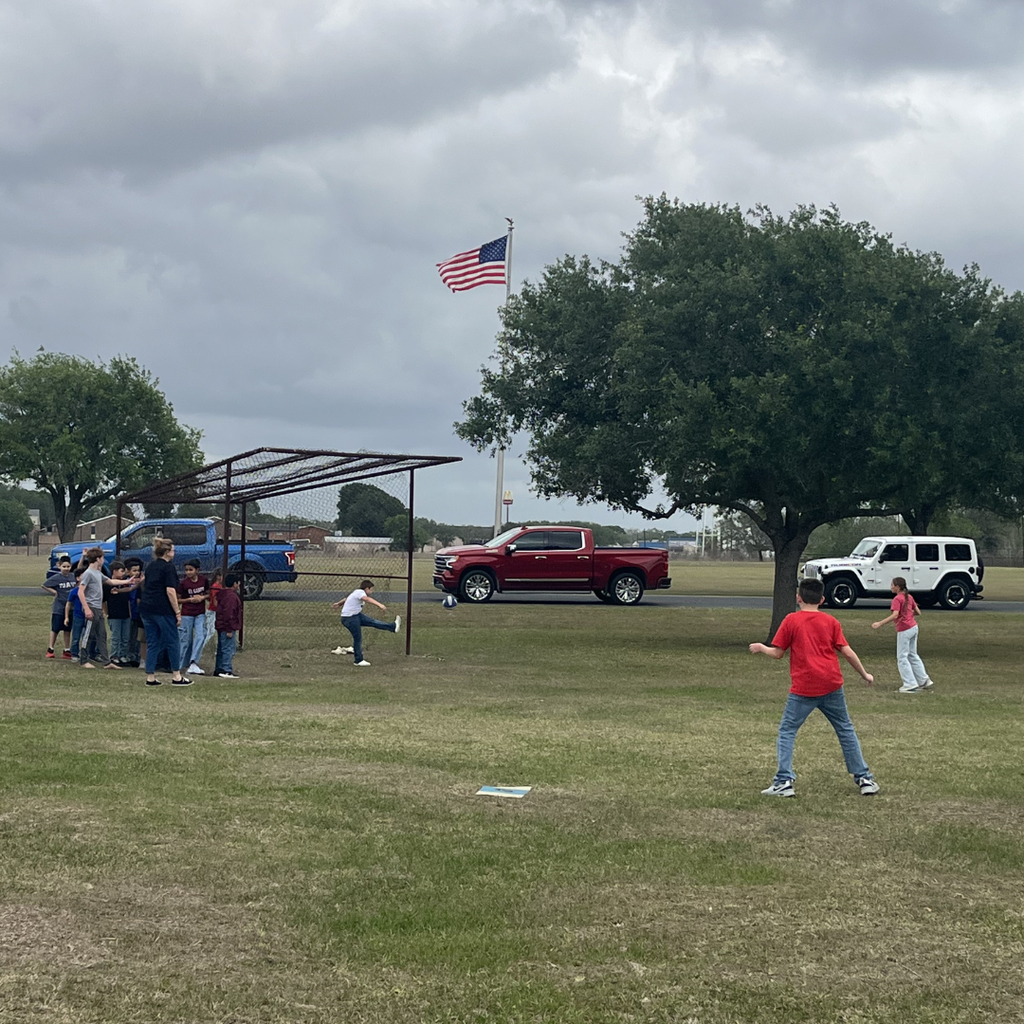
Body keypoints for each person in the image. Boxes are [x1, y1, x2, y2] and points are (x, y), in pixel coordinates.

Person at [749, 577, 879, 797]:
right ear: (822, 599)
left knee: (787, 731)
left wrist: (762, 647)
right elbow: (846, 651)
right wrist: (864, 674)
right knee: (845, 729)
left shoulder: (791, 620)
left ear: (798, 598)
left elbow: (778, 653)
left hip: (804, 687)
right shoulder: (831, 622)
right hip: (832, 684)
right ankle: (864, 778)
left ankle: (783, 782)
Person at [139, 538, 191, 686]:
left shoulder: (151, 566)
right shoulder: (168, 567)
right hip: (162, 609)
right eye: (173, 550)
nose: (174, 552)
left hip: (146, 608)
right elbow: (170, 590)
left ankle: (150, 676)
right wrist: (177, 612)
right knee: (173, 641)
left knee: (152, 642)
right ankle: (176, 675)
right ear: (167, 552)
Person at [872, 577, 935, 694]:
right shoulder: (909, 597)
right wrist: (908, 616)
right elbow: (918, 612)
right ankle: (924, 680)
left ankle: (910, 683)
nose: (891, 587)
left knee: (902, 657)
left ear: (897, 587)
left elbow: (895, 615)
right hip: (914, 627)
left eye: (892, 585)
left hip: (905, 630)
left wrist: (879, 623)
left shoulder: (897, 599)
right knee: (912, 654)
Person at [78, 547, 132, 669]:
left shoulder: (98, 573)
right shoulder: (88, 573)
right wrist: (86, 609)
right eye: (102, 558)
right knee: (88, 635)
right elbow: (80, 592)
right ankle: (83, 660)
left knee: (102, 634)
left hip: (98, 609)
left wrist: (129, 581)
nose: (103, 560)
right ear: (98, 559)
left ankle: (107, 662)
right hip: (91, 607)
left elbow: (111, 582)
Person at [331, 579, 401, 667]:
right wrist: (380, 605)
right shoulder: (360, 592)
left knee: (373, 622)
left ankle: (393, 627)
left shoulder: (357, 592)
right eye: (371, 589)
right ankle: (358, 660)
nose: (372, 591)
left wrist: (339, 604)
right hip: (349, 618)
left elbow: (347, 599)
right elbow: (366, 599)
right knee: (358, 638)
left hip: (356, 616)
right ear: (367, 588)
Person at [177, 558, 209, 676]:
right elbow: (178, 599)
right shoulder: (184, 583)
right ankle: (180, 664)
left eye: (191, 570)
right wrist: (190, 599)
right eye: (186, 570)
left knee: (200, 636)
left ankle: (194, 662)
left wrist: (202, 598)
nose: (188, 572)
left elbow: (209, 593)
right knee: (186, 640)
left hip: (200, 613)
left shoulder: (203, 581)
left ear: (197, 570)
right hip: (187, 614)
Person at [42, 556, 76, 659]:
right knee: (55, 629)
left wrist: (83, 557)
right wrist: (54, 591)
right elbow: (44, 585)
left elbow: (79, 572)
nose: (66, 568)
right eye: (64, 566)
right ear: (59, 566)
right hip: (59, 608)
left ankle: (66, 650)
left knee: (67, 630)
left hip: (70, 608)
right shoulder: (56, 578)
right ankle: (50, 648)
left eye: (68, 566)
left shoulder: (72, 576)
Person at [213, 574, 242, 679]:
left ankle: (219, 668)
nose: (239, 585)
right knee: (228, 649)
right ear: (234, 584)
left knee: (222, 648)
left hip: (221, 625)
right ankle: (226, 670)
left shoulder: (223, 594)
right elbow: (228, 613)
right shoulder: (231, 597)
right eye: (238, 583)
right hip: (227, 627)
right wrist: (229, 629)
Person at [105, 561, 134, 666]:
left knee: (125, 637)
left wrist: (130, 613)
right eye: (122, 571)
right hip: (114, 615)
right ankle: (114, 655)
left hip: (125, 614)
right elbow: (104, 600)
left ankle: (123, 655)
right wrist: (106, 612)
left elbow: (128, 600)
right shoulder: (108, 585)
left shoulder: (125, 584)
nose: (123, 573)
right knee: (116, 637)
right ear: (114, 571)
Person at [124, 557, 144, 667]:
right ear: (128, 571)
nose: (136, 573)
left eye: (138, 570)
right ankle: (127, 655)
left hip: (138, 613)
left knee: (136, 636)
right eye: (134, 570)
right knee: (128, 636)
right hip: (128, 613)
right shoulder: (125, 581)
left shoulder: (142, 582)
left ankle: (136, 656)